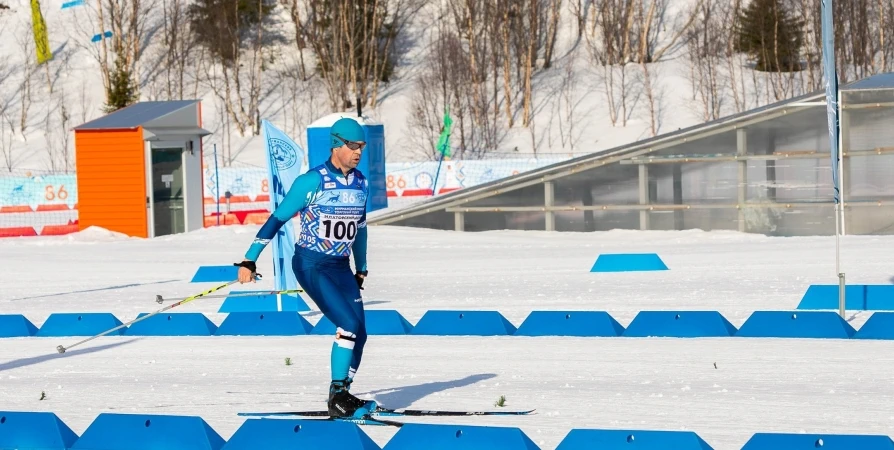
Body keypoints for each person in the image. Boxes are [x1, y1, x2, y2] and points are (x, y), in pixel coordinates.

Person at [235, 117, 374, 419]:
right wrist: (249, 258)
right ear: (336, 144)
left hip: (340, 266)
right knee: (347, 326)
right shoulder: (312, 181)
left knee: (360, 333)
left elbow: (360, 228)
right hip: (311, 264)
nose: (358, 152)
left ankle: (343, 394)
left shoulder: (362, 182)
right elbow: (277, 219)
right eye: (353, 146)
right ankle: (337, 394)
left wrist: (361, 267)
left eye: (361, 146)